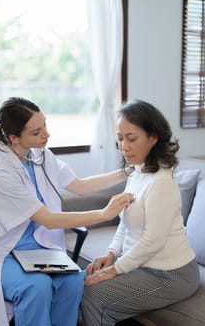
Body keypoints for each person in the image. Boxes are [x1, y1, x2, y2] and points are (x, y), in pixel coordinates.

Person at [0, 97, 135, 326]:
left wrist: (127, 172)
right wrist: (104, 214)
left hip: (41, 249)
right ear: (13, 138)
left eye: (45, 125)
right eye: (37, 132)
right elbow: (46, 219)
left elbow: (80, 186)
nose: (46, 135)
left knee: (73, 280)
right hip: (5, 251)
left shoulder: (40, 155)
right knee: (37, 287)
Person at [81, 99, 200, 326]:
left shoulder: (161, 183)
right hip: (143, 266)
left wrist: (117, 269)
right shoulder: (137, 173)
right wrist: (111, 253)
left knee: (94, 295)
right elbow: (124, 223)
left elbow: (153, 241)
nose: (124, 146)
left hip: (173, 274)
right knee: (84, 282)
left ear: (153, 137)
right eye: (120, 138)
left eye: (131, 138)